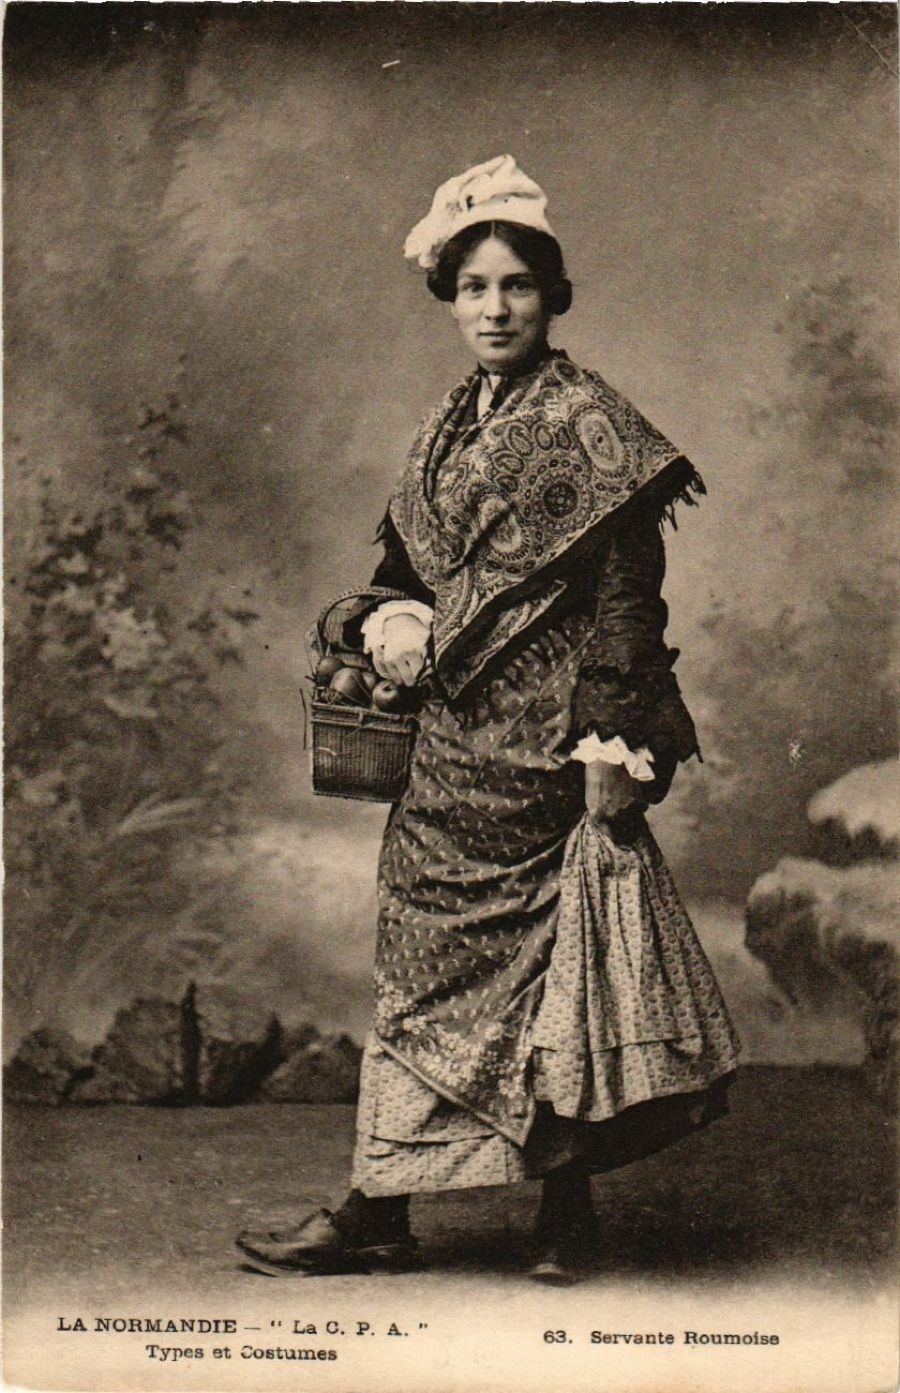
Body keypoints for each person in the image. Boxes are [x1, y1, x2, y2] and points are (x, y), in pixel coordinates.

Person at [237, 155, 740, 1281]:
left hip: (551, 744)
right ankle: (383, 1206)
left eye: (516, 285)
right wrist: (390, 616)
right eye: (474, 288)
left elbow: (630, 598)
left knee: (555, 975)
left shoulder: (592, 423)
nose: (496, 308)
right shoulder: (444, 428)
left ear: (552, 295)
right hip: (447, 751)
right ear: (450, 299)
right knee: (419, 972)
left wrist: (612, 740)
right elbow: (404, 570)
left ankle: (565, 1214)